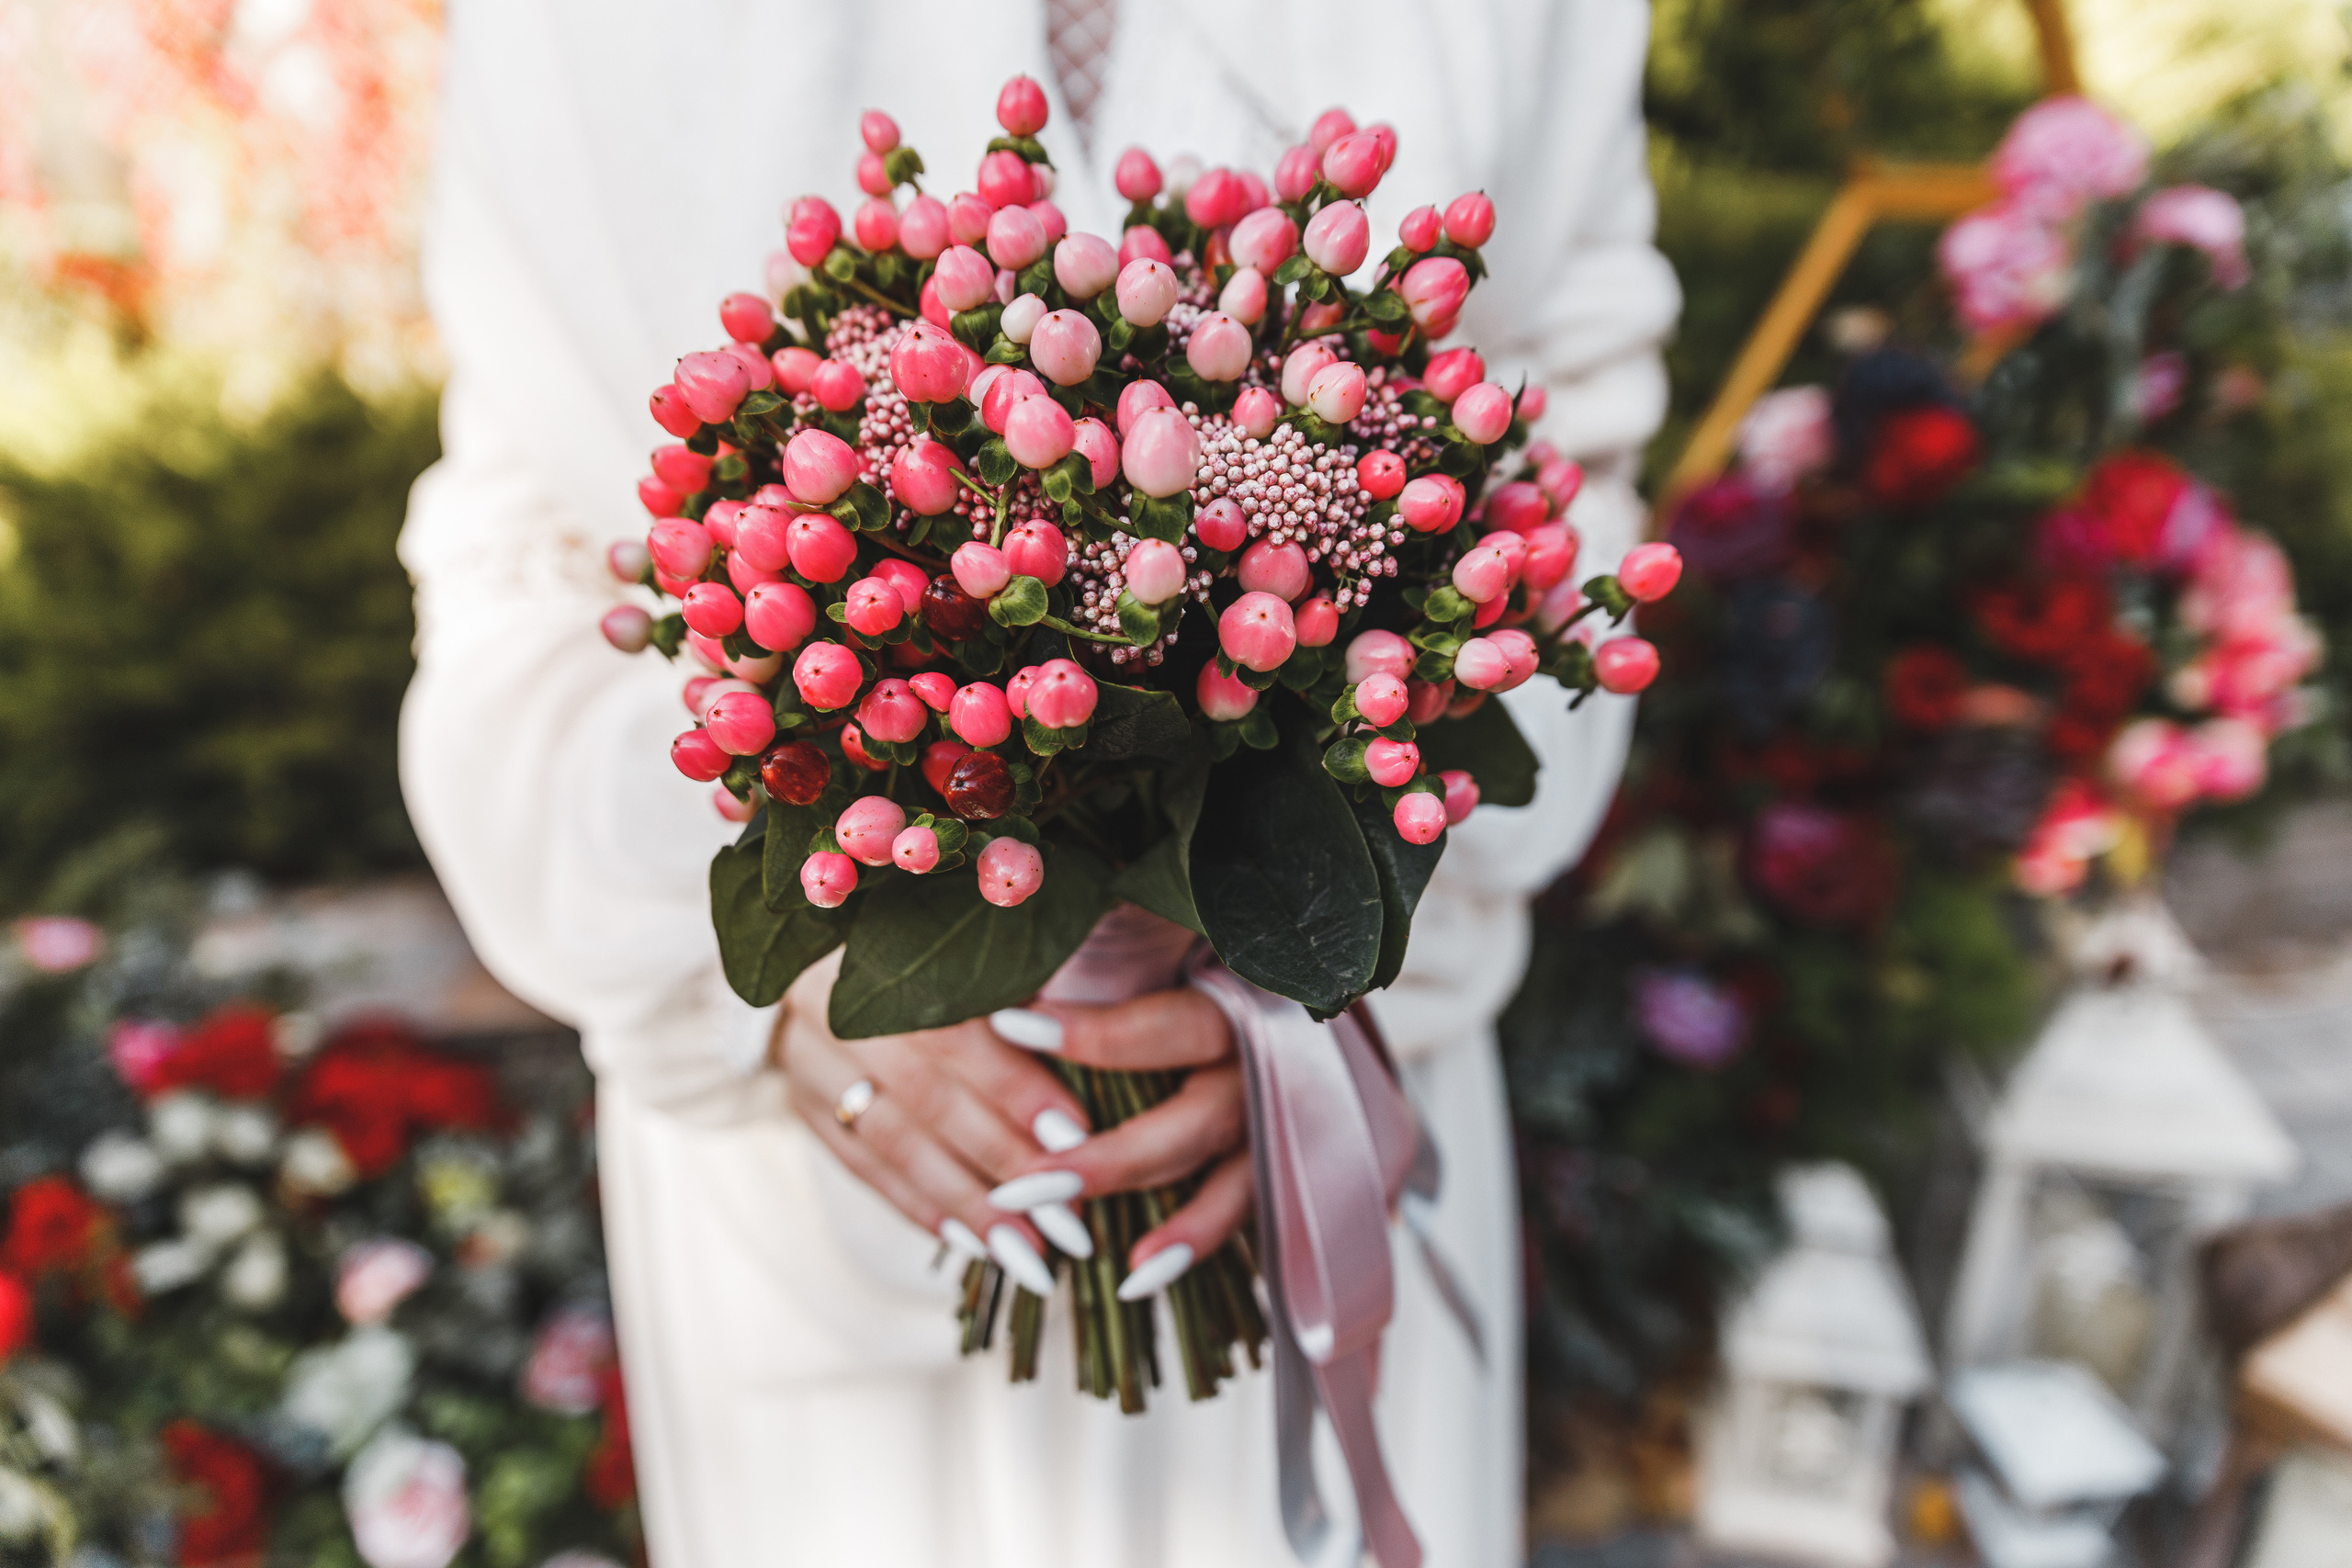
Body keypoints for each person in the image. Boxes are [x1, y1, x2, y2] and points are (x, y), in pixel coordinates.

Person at [398, 3, 1679, 1562]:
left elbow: (1569, 465)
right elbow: (527, 566)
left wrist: (1330, 970)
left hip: (1317, 1136)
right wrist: (765, 989)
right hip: (829, 1209)